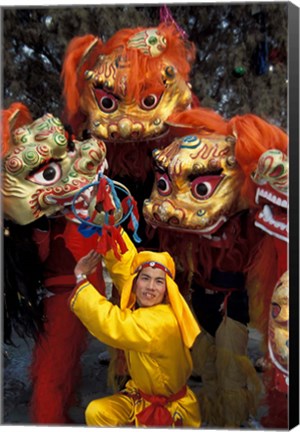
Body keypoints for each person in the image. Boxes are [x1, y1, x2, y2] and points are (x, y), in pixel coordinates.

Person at [69, 229, 201, 427]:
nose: (150, 287)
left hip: (170, 411)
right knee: (98, 413)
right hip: (139, 398)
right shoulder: (147, 304)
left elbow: (112, 323)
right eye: (145, 278)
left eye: (159, 282)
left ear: (167, 290)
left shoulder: (161, 321)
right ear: (136, 282)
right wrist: (111, 227)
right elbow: (127, 267)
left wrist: (81, 278)